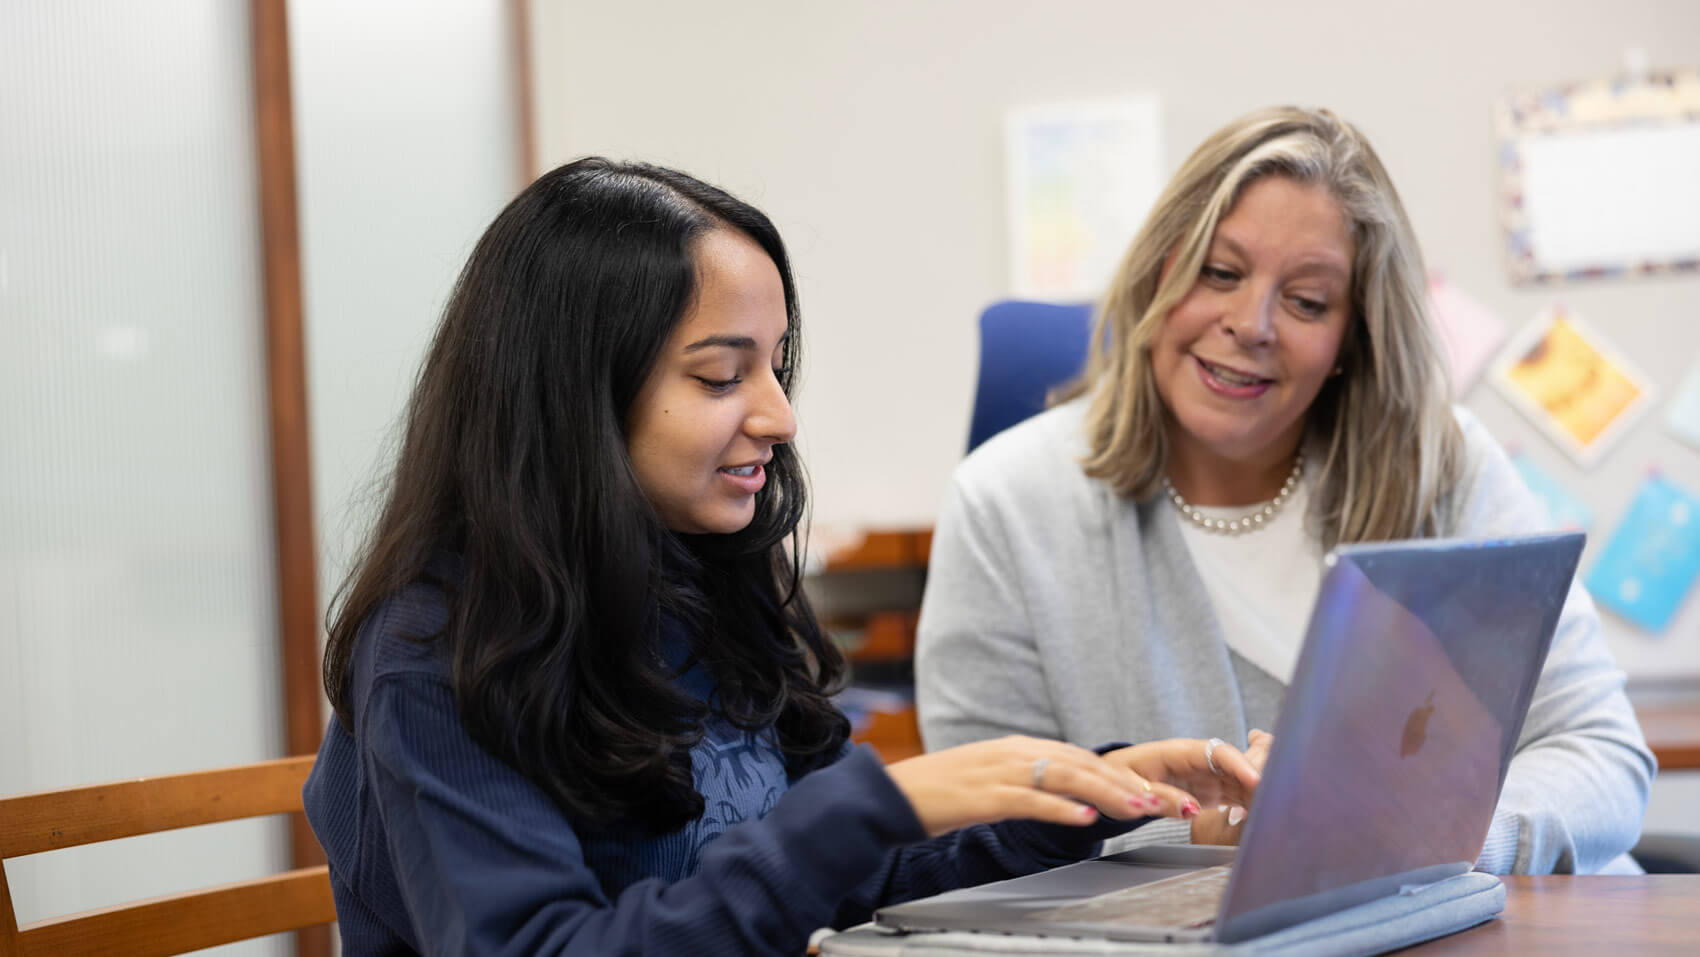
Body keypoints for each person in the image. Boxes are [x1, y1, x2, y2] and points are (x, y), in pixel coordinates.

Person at [302, 158, 1263, 957]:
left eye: (773, 363)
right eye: (722, 374)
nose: (778, 414)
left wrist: (1085, 797)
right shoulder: (434, 649)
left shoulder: (703, 584)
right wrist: (870, 808)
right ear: (577, 397)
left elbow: (861, 874)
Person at [915, 106, 1655, 872]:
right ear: (1161, 273)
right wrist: (1200, 844)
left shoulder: (1443, 462)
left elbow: (1599, 752)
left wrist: (1447, 836)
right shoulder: (1004, 502)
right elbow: (977, 827)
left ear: (1350, 338)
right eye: (1221, 272)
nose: (1252, 323)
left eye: (1307, 301)